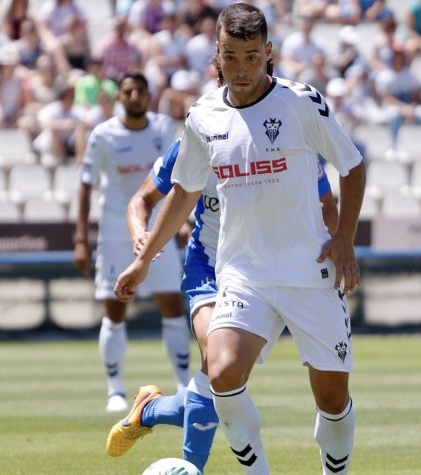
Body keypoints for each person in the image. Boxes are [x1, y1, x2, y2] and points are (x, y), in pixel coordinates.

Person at [114, 4, 365, 474]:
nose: (242, 68)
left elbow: (351, 167)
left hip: (308, 271)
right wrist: (144, 259)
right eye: (232, 57)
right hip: (243, 273)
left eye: (252, 56)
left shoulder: (300, 103)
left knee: (332, 398)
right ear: (217, 54)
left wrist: (344, 239)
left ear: (268, 53)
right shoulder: (203, 116)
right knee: (223, 372)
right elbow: (184, 191)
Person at [74, 72, 190, 413]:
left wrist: (184, 221)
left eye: (140, 90)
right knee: (115, 307)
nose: (135, 95)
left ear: (148, 95)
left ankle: (183, 384)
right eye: (128, 91)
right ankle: (115, 390)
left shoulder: (164, 128)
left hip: (159, 225)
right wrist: (81, 238)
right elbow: (85, 184)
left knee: (171, 302)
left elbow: (185, 176)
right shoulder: (103, 134)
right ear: (119, 98)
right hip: (114, 228)